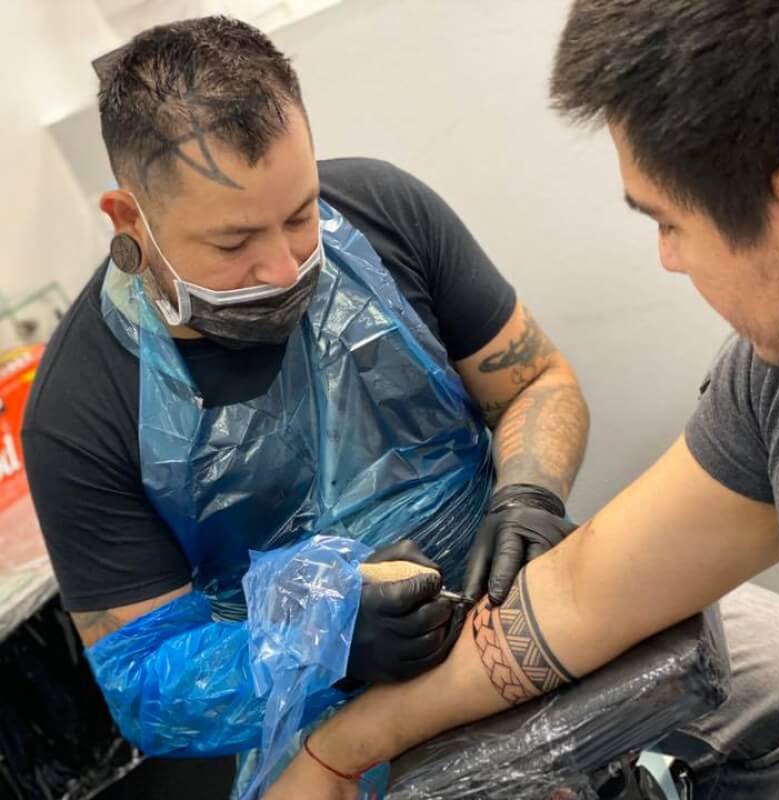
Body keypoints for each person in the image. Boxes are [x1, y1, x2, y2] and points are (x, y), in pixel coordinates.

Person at [20, 14, 589, 788]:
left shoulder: (385, 210)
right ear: (130, 222)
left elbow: (535, 381)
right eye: (234, 243)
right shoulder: (81, 409)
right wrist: (323, 643)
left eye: (298, 215)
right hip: (334, 738)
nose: (286, 267)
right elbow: (146, 685)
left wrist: (529, 495)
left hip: (519, 622)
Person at [265, 2, 779, 798]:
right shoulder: (772, 382)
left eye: (670, 223)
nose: (669, 258)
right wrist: (334, 753)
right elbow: (586, 593)